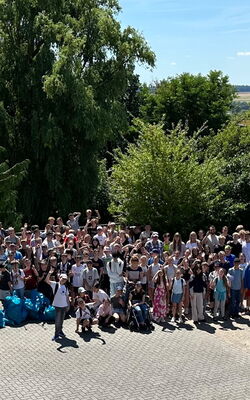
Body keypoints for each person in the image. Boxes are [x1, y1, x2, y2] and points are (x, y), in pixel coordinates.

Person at [46, 271, 70, 340]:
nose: (64, 280)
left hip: (64, 306)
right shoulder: (55, 284)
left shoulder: (65, 287)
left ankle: (60, 331)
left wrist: (68, 305)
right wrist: (49, 273)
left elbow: (67, 296)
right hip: (57, 306)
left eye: (65, 279)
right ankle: (56, 334)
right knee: (57, 320)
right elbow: (47, 281)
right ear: (59, 278)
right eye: (62, 278)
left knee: (62, 320)